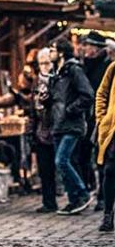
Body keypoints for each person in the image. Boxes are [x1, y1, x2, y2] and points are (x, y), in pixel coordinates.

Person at [46, 39, 94, 214]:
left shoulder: (73, 70)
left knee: (62, 160)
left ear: (61, 52)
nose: (50, 53)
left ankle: (82, 193)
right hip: (58, 123)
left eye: (52, 49)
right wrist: (46, 100)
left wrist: (70, 109)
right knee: (63, 162)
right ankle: (74, 200)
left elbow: (88, 95)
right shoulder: (56, 73)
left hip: (72, 123)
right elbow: (56, 97)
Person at [79, 31, 111, 210]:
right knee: (83, 157)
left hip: (102, 119)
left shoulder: (107, 67)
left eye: (90, 47)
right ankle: (87, 192)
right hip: (86, 119)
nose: (86, 50)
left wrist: (102, 117)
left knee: (102, 160)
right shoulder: (84, 66)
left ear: (98, 49)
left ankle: (103, 197)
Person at [32, 48, 57, 213]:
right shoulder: (36, 82)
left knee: (59, 164)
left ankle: (76, 196)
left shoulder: (57, 80)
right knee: (44, 168)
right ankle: (48, 201)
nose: (44, 67)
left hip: (55, 127)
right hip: (40, 129)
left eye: (47, 63)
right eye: (41, 63)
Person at [95, 57, 115, 232]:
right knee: (109, 170)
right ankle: (108, 214)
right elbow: (101, 93)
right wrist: (102, 119)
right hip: (113, 130)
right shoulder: (113, 68)